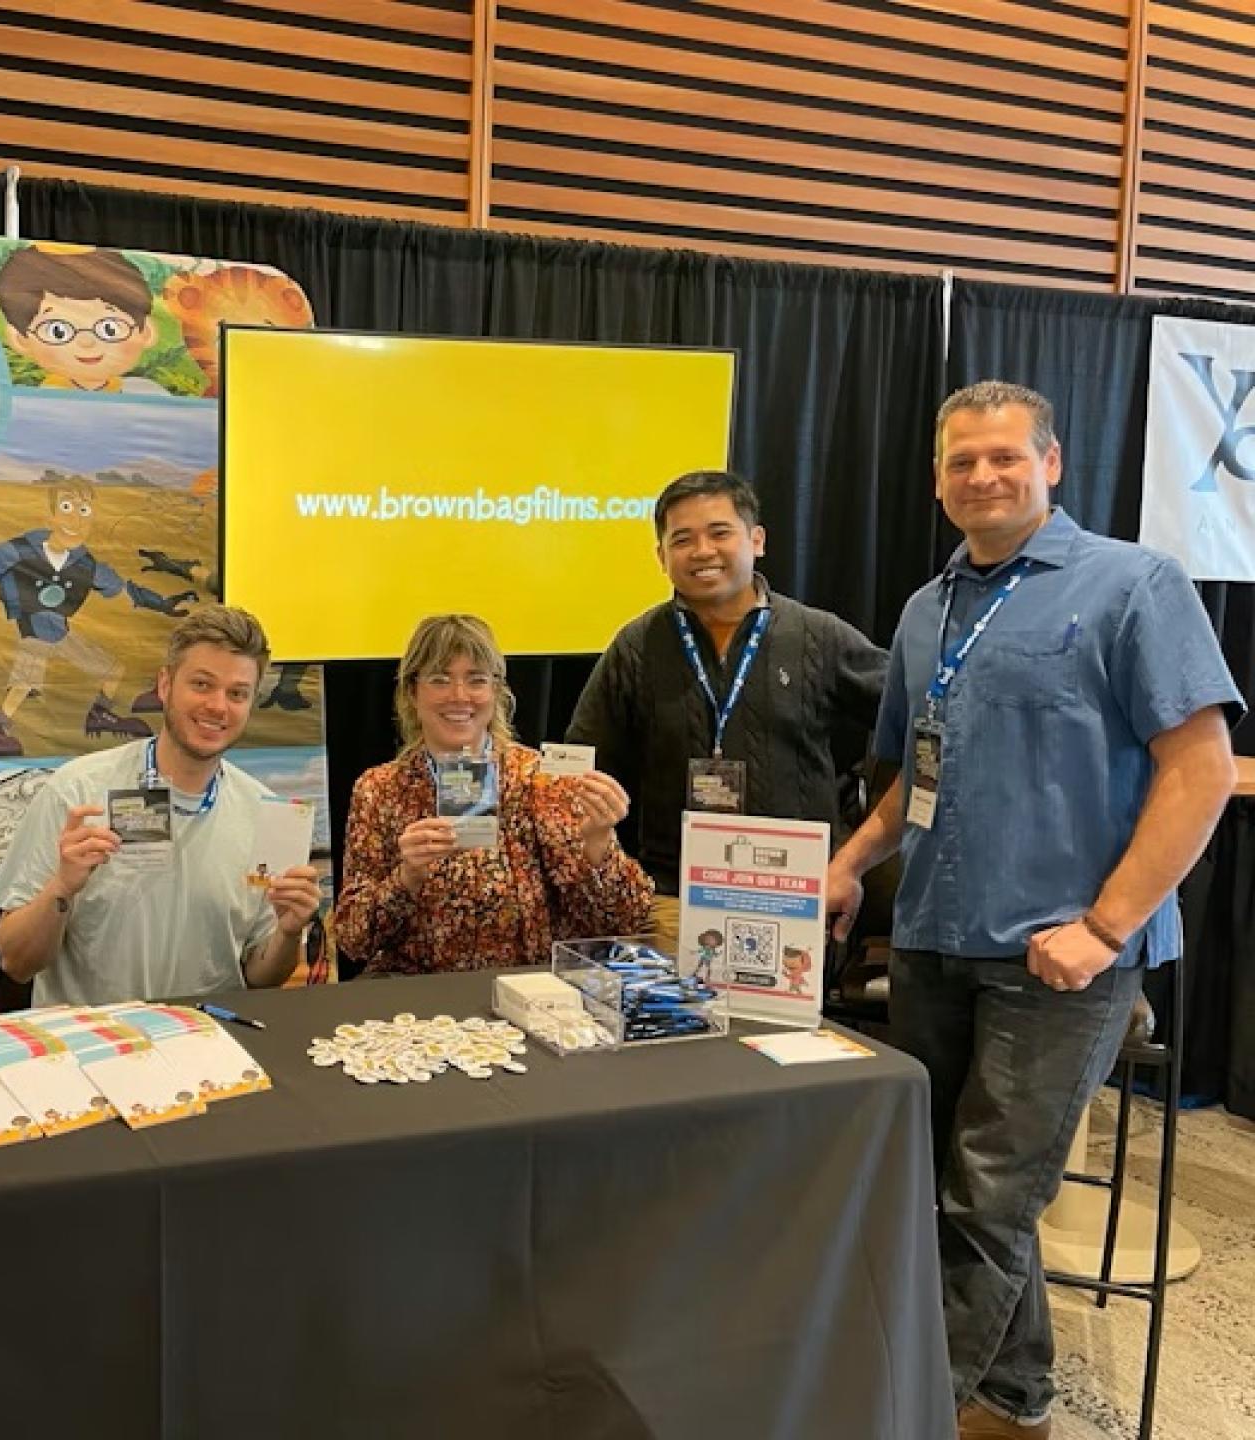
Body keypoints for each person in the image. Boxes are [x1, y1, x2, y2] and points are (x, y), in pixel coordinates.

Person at [824, 381, 1242, 1440]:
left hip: (1060, 959)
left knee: (988, 1200)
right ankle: (1013, 1406)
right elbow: (917, 777)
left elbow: (1201, 769)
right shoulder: (926, 611)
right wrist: (851, 863)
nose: (983, 476)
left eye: (1005, 456)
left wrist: (1104, 928)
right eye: (962, 460)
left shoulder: (1135, 584)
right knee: (941, 1191)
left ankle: (902, 1414)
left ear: (1051, 464)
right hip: (933, 939)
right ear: (937, 479)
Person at [566, 470, 885, 957]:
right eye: (682, 539)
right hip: (674, 901)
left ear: (757, 540)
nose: (702, 551)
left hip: (794, 897)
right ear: (661, 556)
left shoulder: (818, 636)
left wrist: (854, 858)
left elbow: (917, 727)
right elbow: (582, 760)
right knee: (677, 1011)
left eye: (719, 533)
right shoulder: (637, 646)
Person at [0, 605, 322, 1005]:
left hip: (207, 1035)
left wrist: (288, 933)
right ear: (165, 685)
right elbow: (16, 962)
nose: (218, 706)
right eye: (202, 684)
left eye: (237, 693)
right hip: (96, 1038)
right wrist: (62, 886)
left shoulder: (267, 814)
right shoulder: (77, 792)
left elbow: (260, 978)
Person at [334, 614, 651, 975]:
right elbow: (352, 940)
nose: (459, 696)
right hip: (416, 992)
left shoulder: (544, 780)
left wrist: (598, 845)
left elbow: (626, 919)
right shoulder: (379, 790)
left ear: (496, 692)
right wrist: (407, 878)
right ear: (411, 692)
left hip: (528, 988)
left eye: (476, 680)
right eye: (439, 679)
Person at [0, 475, 195, 757]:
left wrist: (162, 604)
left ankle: (99, 715)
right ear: (51, 516)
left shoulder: (86, 564)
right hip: (35, 629)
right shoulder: (22, 550)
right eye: (67, 508)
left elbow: (125, 590)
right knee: (26, 679)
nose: (75, 519)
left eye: (84, 511)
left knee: (112, 671)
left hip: (59, 631)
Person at [0, 244, 165, 394]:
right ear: (21, 339)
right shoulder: (37, 400)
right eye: (58, 332)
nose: (87, 342)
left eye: (109, 329)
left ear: (146, 332)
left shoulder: (147, 393)